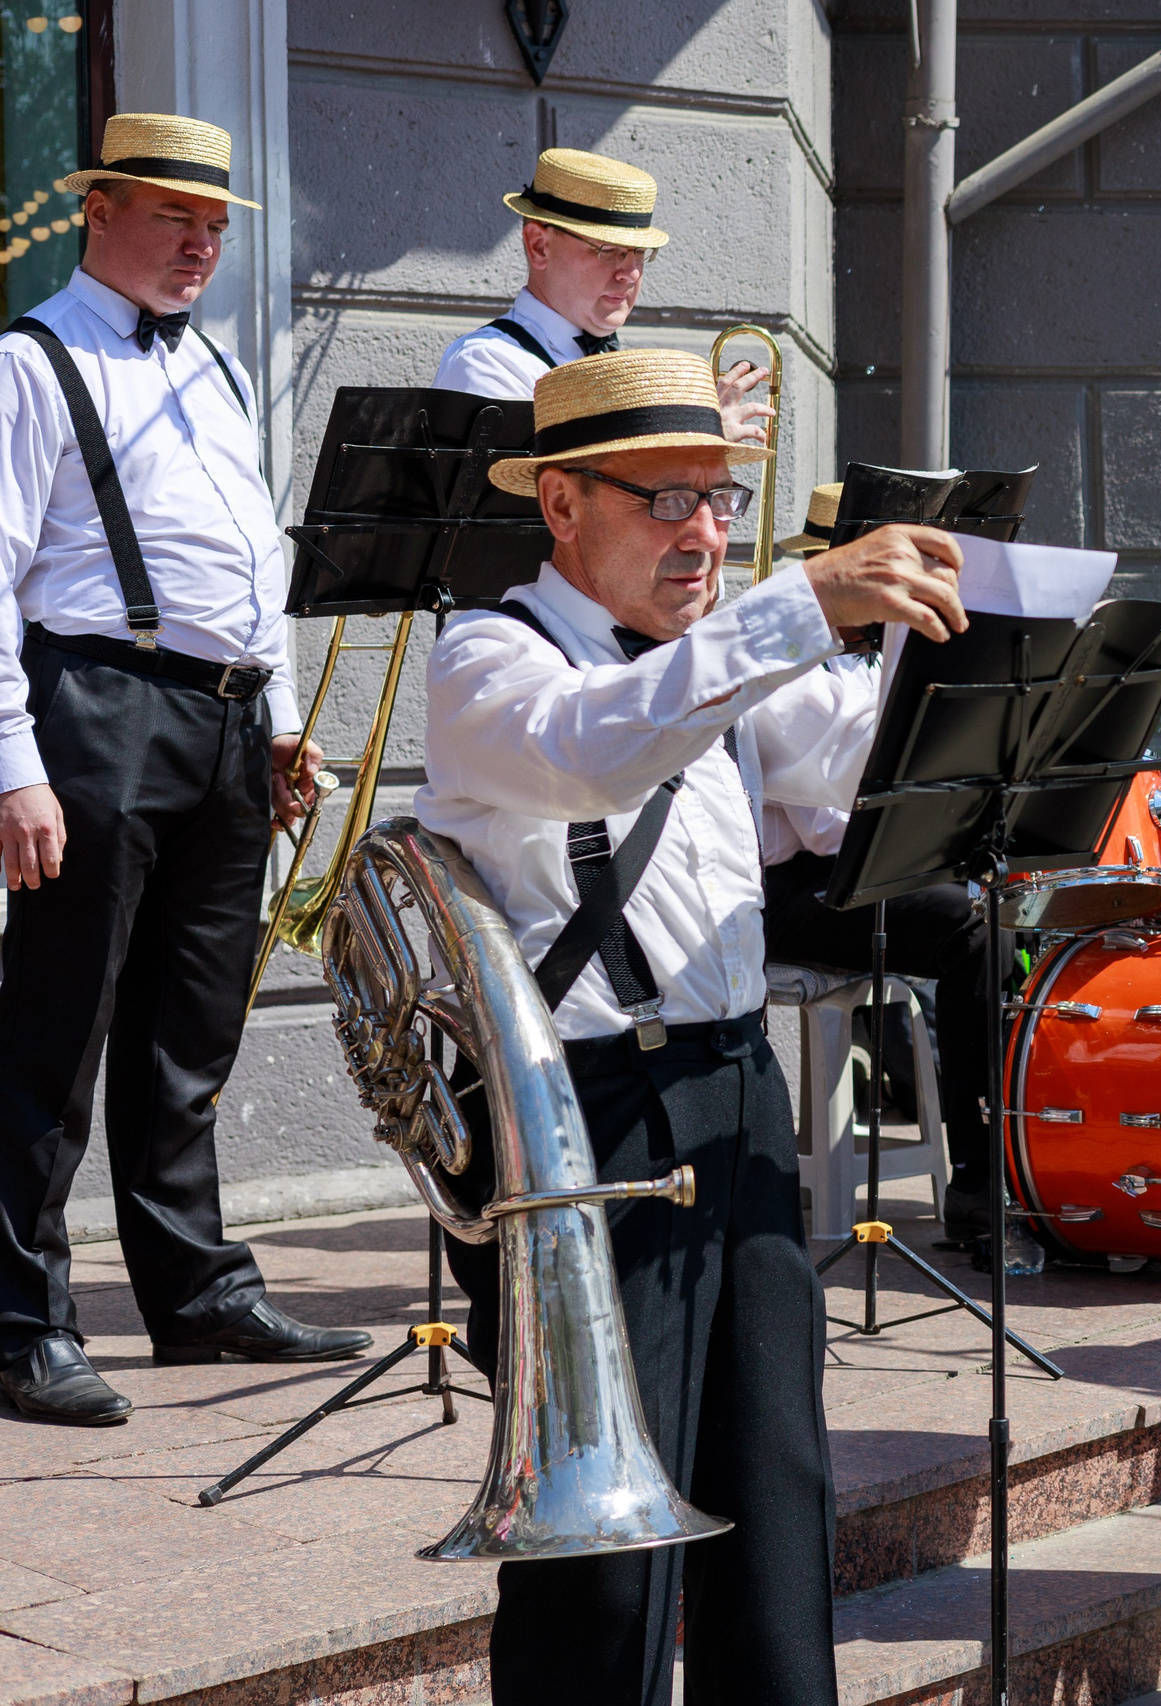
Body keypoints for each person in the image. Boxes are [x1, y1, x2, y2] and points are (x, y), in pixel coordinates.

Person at [416, 348, 966, 1704]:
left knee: (774, 1486)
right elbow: (597, 745)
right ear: (561, 503)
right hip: (575, 1121)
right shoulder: (491, 656)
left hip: (733, 1092)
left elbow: (857, 762)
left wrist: (945, 636)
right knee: (603, 1545)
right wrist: (796, 606)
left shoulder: (716, 655)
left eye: (720, 500)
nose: (706, 534)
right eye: (667, 502)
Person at [0, 113, 370, 1427]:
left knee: (189, 1029)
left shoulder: (210, 365)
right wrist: (12, 764)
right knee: (56, 1025)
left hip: (217, 722)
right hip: (93, 705)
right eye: (175, 217)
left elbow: (245, 559)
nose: (202, 242)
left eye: (214, 224)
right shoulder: (32, 362)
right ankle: (19, 1316)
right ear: (100, 211)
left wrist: (269, 715)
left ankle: (196, 1291)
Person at [756, 480, 997, 1238]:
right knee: (972, 933)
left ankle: (1026, 1152)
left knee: (1006, 915)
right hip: (785, 890)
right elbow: (836, 829)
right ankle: (980, 1182)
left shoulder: (857, 662)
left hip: (852, 870)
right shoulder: (791, 666)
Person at [432, 147, 771, 445]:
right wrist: (696, 444)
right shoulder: (488, 363)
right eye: (608, 250)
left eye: (639, 252)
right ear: (539, 246)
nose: (632, 273)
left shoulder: (624, 371)